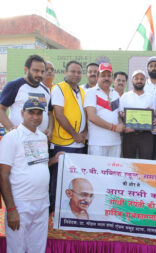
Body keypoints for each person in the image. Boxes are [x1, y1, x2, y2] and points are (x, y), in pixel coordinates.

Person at [0, 98, 62, 253]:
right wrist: (11, 208)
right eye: (31, 113)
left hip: (41, 203)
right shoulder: (12, 138)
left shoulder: (41, 136)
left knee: (37, 248)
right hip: (21, 203)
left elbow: (38, 164)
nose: (35, 116)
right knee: (17, 249)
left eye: (39, 113)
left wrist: (54, 160)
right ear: (22, 113)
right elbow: (3, 174)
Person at [50, 60, 87, 212]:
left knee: (75, 180)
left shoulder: (82, 91)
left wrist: (84, 133)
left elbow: (85, 114)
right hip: (63, 143)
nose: (76, 74)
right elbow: (58, 113)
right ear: (66, 72)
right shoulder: (58, 88)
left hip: (80, 143)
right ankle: (54, 208)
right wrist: (74, 134)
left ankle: (69, 210)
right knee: (58, 179)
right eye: (72, 71)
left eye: (79, 72)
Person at [0, 54, 53, 139]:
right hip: (19, 139)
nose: (39, 74)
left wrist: (50, 129)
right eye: (36, 71)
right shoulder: (14, 86)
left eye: (42, 71)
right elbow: (1, 109)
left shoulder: (45, 90)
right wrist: (11, 128)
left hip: (39, 141)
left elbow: (50, 113)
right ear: (26, 69)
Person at [85, 63, 124, 157]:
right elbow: (92, 117)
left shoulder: (115, 94)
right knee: (97, 171)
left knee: (114, 171)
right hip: (97, 143)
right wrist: (114, 127)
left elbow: (116, 115)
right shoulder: (90, 92)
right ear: (97, 76)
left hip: (115, 142)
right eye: (103, 75)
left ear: (112, 78)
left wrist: (121, 124)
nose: (106, 78)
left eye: (109, 75)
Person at [120, 70, 155, 159]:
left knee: (146, 162)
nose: (139, 81)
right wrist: (124, 117)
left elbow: (155, 116)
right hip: (129, 135)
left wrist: (155, 120)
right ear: (132, 80)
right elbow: (120, 114)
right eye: (136, 79)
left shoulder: (150, 97)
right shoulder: (125, 96)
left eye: (141, 79)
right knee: (128, 162)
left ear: (145, 80)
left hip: (146, 135)